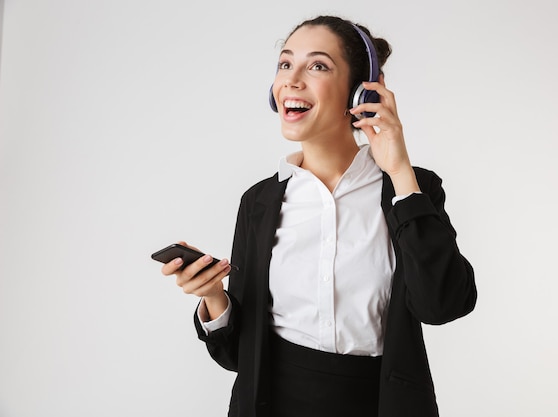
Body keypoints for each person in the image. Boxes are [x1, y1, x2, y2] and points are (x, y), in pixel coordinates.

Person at [161, 15, 477, 417]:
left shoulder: (410, 190)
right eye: (285, 64)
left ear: (361, 93)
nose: (292, 80)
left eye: (318, 66)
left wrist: (400, 172)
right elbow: (238, 357)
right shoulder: (258, 202)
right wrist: (212, 296)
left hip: (379, 404)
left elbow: (444, 306)